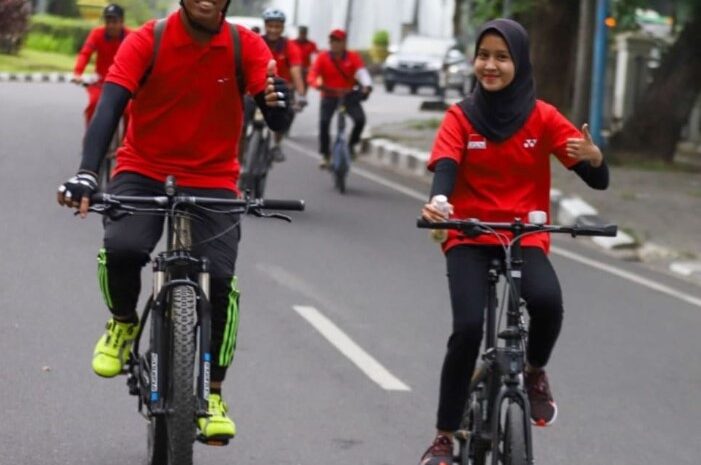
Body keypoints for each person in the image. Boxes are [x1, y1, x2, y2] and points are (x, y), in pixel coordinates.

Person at [57, 0, 291, 442]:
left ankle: (214, 392)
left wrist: (281, 106)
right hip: (143, 169)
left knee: (220, 279)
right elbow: (109, 107)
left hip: (214, 177)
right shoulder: (147, 40)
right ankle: (124, 321)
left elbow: (275, 112)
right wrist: (88, 171)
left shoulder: (248, 47)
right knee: (123, 248)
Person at [418, 19, 609, 465]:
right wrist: (439, 204)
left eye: (502, 57)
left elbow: (595, 178)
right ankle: (444, 436)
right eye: (483, 55)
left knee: (547, 302)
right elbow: (445, 166)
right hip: (469, 232)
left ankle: (534, 370)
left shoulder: (542, 116)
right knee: (466, 329)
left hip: (524, 234)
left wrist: (596, 158)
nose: (491, 65)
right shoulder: (460, 116)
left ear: (519, 63)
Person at [307, 28, 372, 169]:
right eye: (332, 41)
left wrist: (367, 86)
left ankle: (351, 145)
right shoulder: (322, 57)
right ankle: (325, 154)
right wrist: (317, 84)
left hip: (348, 96)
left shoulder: (353, 57)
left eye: (338, 41)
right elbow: (313, 75)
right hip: (329, 95)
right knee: (324, 123)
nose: (334, 44)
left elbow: (362, 73)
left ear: (344, 43)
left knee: (360, 120)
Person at [72, 4, 130, 125]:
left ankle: (126, 143)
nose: (111, 25)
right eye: (108, 21)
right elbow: (85, 53)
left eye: (114, 21)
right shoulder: (97, 34)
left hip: (124, 83)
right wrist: (78, 73)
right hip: (101, 82)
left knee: (129, 111)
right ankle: (91, 141)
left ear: (122, 21)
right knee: (94, 104)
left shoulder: (131, 37)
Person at [261, 7, 306, 162]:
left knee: (285, 114)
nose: (273, 30)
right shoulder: (256, 42)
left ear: (282, 28)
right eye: (270, 26)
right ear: (265, 26)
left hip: (281, 89)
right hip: (256, 88)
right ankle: (241, 158)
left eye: (277, 26)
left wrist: (301, 94)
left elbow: (296, 71)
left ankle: (277, 144)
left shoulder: (290, 47)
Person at [292, 25, 318, 92]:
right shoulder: (292, 43)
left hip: (306, 70)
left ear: (306, 34)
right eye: (301, 33)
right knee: (292, 88)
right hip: (295, 69)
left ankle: (302, 97)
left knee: (303, 90)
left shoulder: (311, 44)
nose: (302, 35)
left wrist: (312, 68)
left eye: (304, 33)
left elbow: (315, 56)